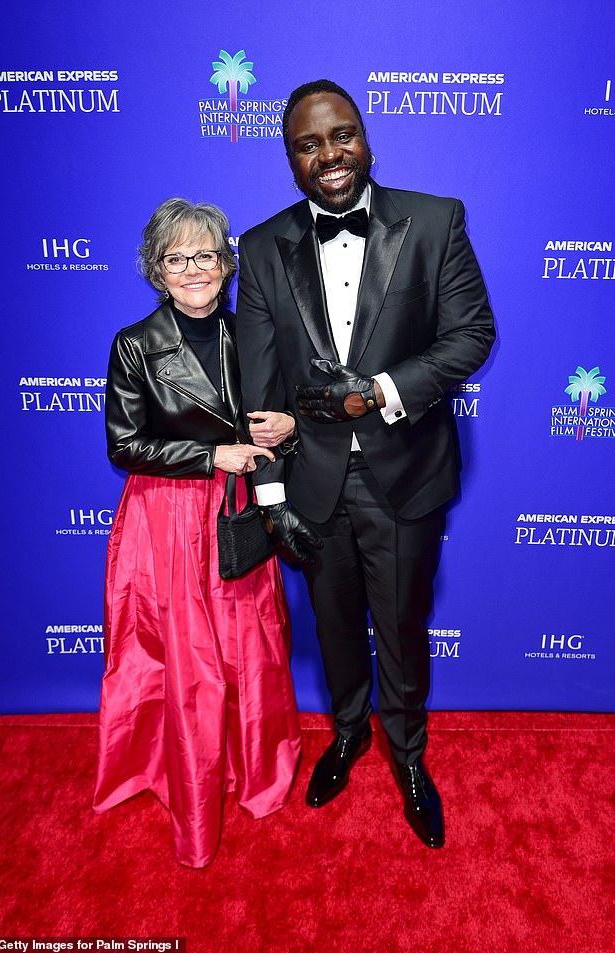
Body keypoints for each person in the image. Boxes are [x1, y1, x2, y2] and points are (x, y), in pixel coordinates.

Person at [236, 80, 495, 849]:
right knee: (336, 624)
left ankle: (408, 756)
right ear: (290, 160)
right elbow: (258, 388)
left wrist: (377, 391)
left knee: (404, 624)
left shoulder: (434, 219)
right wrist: (272, 494)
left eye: (341, 135)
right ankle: (348, 733)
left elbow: (471, 335)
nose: (329, 156)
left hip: (406, 471)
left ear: (366, 136)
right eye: (308, 145)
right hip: (311, 481)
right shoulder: (260, 246)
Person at [93, 198, 301, 868]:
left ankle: (256, 770)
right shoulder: (133, 344)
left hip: (238, 512)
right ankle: (182, 777)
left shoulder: (252, 333)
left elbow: (275, 420)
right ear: (157, 268)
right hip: (165, 517)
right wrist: (209, 456)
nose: (194, 269)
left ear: (225, 262)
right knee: (185, 663)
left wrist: (282, 430)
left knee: (252, 648)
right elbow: (124, 445)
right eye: (178, 257)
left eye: (206, 254)